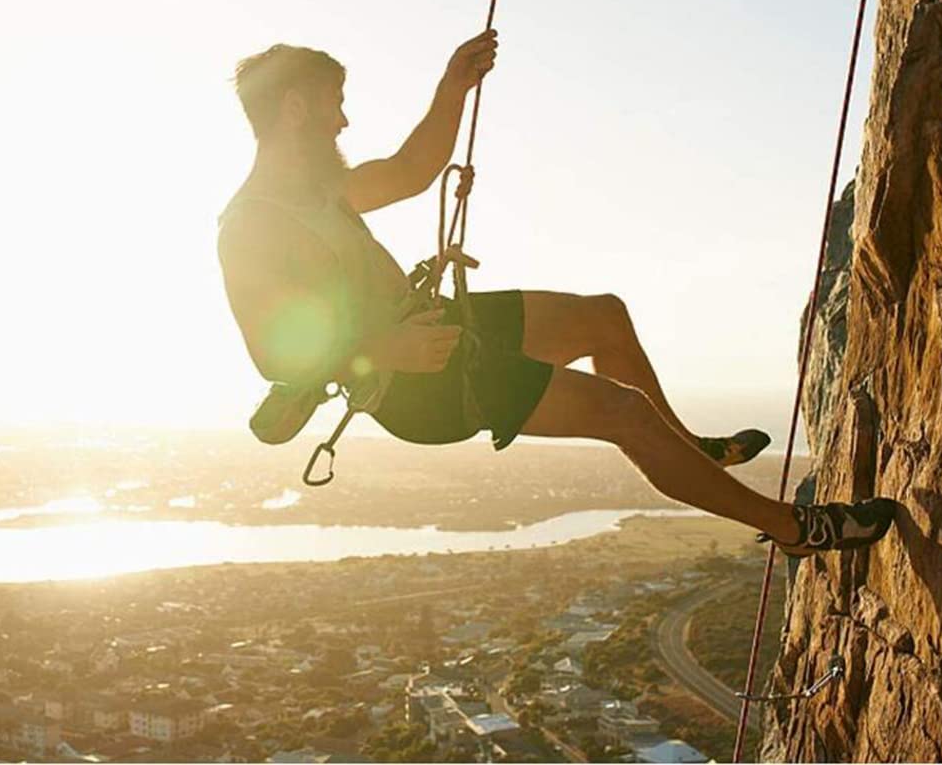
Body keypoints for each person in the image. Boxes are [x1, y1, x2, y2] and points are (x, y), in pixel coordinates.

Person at [217, 30, 895, 557]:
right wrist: (384, 344)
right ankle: (797, 528)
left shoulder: (321, 190)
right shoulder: (251, 223)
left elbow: (409, 170)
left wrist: (453, 85)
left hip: (436, 326)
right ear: (295, 107)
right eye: (333, 104)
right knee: (625, 415)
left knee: (604, 317)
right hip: (416, 380)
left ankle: (688, 444)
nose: (343, 120)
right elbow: (269, 354)